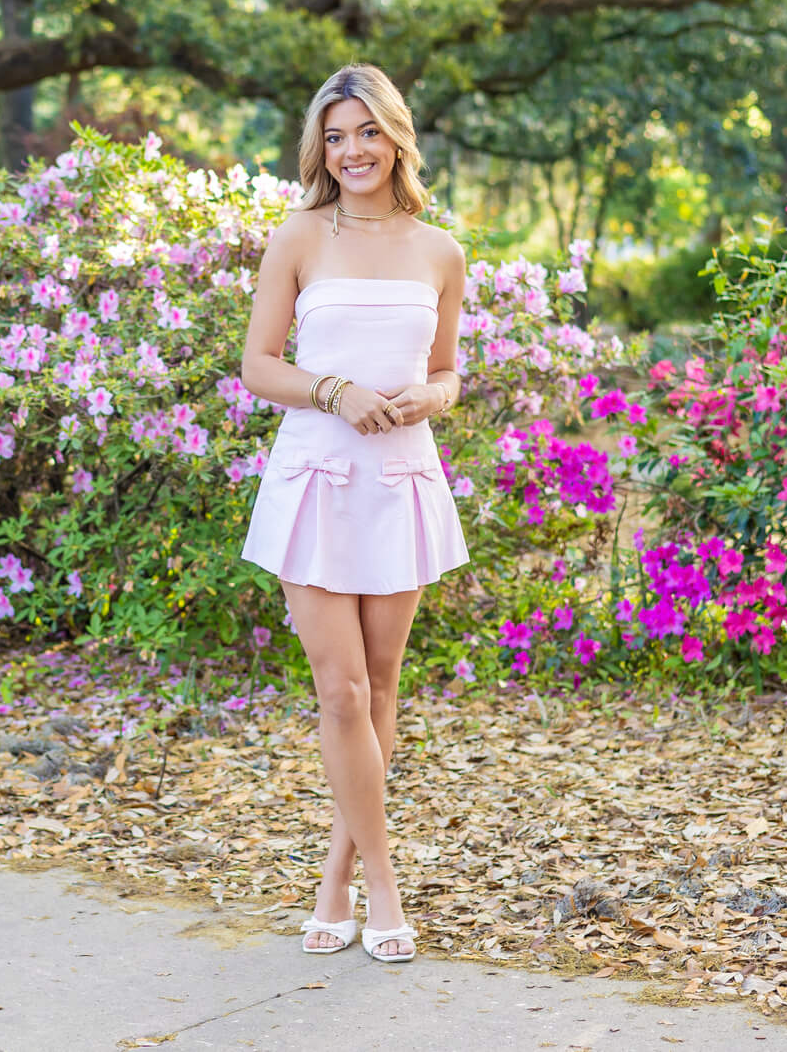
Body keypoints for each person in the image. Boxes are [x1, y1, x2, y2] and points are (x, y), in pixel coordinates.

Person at [237, 63, 471, 963]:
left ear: (395, 137)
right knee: (337, 689)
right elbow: (260, 364)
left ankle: (335, 878)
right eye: (334, 137)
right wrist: (331, 389)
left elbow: (449, 370)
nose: (352, 151)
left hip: (400, 478)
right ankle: (383, 885)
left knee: (379, 690)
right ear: (320, 149)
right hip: (315, 480)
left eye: (366, 132)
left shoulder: (439, 250)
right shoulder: (299, 236)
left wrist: (430, 400)